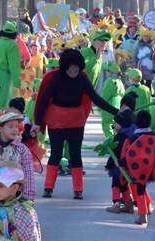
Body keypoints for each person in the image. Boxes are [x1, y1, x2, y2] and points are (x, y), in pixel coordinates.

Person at [32, 48, 118, 199]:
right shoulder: (56, 79)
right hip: (57, 121)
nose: (74, 70)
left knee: (75, 155)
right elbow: (43, 100)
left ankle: (78, 190)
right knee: (56, 155)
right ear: (65, 66)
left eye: (76, 67)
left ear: (80, 66)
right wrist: (38, 122)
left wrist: (116, 112)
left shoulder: (83, 79)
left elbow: (96, 99)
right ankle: (48, 187)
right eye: (71, 67)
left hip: (75, 122)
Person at [0, 110, 36, 201]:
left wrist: (29, 199)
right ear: (0, 129)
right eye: (11, 127)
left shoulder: (22, 149)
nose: (15, 130)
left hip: (15, 198)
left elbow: (28, 176)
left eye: (16, 126)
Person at [104, 110, 136, 214]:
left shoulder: (119, 138)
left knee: (115, 185)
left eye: (116, 123)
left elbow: (115, 154)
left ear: (122, 124)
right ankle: (128, 204)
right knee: (124, 185)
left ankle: (116, 204)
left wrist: (108, 165)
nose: (114, 125)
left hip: (118, 167)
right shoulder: (132, 135)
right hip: (128, 167)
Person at [100, 62, 126, 137]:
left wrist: (100, 105)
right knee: (116, 125)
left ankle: (110, 142)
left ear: (110, 72)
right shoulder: (120, 81)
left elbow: (105, 94)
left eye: (108, 71)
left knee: (107, 124)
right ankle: (115, 141)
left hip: (109, 105)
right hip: (118, 105)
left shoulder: (110, 81)